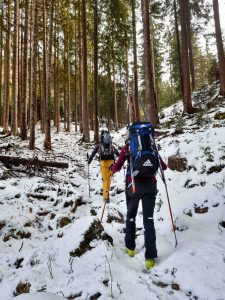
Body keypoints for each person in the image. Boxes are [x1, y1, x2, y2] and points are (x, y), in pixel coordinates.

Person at [110, 129, 167, 270]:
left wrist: (111, 169)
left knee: (131, 216)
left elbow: (116, 167)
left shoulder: (128, 147)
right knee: (148, 219)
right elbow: (163, 167)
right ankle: (150, 258)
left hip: (133, 186)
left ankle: (130, 248)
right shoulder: (151, 146)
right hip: (150, 186)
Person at [88, 130, 119, 202]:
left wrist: (89, 162)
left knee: (105, 180)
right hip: (111, 163)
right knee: (108, 179)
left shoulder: (99, 146)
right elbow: (118, 154)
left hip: (103, 163)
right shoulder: (111, 145)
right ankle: (106, 194)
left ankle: (106, 197)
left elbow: (92, 154)